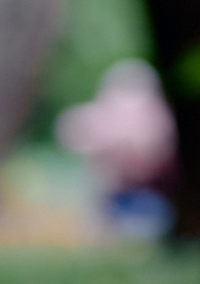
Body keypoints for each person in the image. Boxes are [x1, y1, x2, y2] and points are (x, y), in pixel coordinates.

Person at [54, 59, 177, 238]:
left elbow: (153, 150)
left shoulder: (159, 120)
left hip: (151, 202)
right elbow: (69, 134)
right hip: (109, 201)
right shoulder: (100, 118)